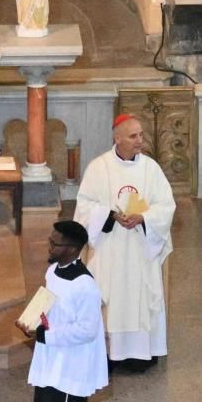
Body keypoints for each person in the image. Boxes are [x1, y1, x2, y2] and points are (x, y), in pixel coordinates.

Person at [73, 113, 176, 369]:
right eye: (133, 136)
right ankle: (109, 353)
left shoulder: (150, 169)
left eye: (141, 135)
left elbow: (166, 205)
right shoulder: (99, 167)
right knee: (112, 297)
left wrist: (144, 218)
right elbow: (84, 206)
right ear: (117, 138)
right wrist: (109, 215)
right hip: (111, 248)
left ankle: (142, 353)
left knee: (141, 296)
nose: (140, 141)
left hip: (141, 249)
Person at [27, 218, 107, 402]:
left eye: (54, 243)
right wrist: (31, 318)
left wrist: (48, 336)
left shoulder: (85, 286)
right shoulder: (53, 270)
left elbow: (87, 330)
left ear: (72, 249)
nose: (49, 246)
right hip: (51, 359)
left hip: (72, 363)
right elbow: (47, 300)